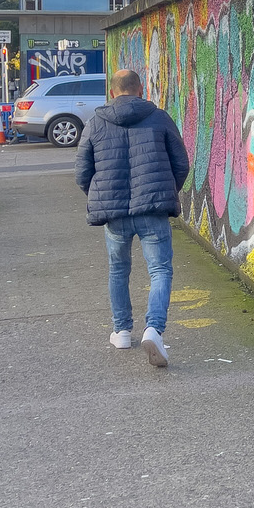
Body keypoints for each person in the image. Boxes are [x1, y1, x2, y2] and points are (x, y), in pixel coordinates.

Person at [75, 69, 191, 368]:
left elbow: (82, 173)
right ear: (141, 88)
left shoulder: (95, 122)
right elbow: (181, 163)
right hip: (152, 210)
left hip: (115, 214)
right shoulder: (159, 117)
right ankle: (153, 328)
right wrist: (165, 192)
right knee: (160, 270)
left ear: (112, 91)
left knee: (118, 270)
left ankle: (122, 331)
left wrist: (101, 196)